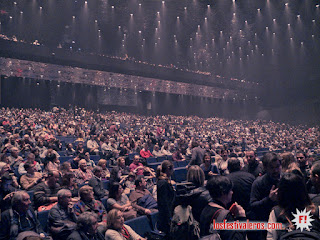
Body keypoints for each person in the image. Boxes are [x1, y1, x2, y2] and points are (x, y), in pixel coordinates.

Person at [267, 172, 320, 239]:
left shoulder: (276, 212)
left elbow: (271, 237)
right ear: (303, 190)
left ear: (281, 192)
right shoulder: (317, 211)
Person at [200, 175, 246, 239]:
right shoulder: (225, 216)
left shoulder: (205, 209)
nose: (232, 192)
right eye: (230, 190)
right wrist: (241, 217)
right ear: (223, 192)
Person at [250, 152, 281, 239]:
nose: (275, 170)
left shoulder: (285, 180)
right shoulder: (258, 183)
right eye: (272, 168)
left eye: (277, 167)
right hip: (265, 225)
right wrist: (269, 199)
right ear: (265, 167)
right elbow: (253, 205)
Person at [157, 160, 175, 234]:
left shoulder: (165, 181)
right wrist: (169, 218)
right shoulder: (163, 183)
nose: (173, 171)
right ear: (168, 169)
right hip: (165, 216)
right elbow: (164, 202)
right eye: (172, 169)